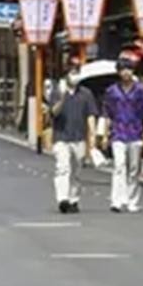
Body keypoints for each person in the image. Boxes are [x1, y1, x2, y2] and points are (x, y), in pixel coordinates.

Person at [102, 58, 143, 213]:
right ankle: (116, 200)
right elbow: (107, 113)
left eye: (129, 69)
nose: (126, 72)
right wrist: (105, 134)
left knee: (134, 168)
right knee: (119, 166)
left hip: (136, 132)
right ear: (118, 72)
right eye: (123, 69)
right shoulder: (112, 91)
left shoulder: (140, 90)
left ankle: (132, 200)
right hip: (118, 132)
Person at [49, 69, 98, 213]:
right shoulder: (57, 92)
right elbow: (53, 112)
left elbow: (90, 115)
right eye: (72, 73)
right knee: (62, 168)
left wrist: (93, 134)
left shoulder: (86, 94)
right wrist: (62, 97)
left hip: (79, 137)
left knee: (77, 171)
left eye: (77, 73)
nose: (75, 77)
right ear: (66, 76)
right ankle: (63, 199)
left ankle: (74, 199)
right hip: (61, 137)